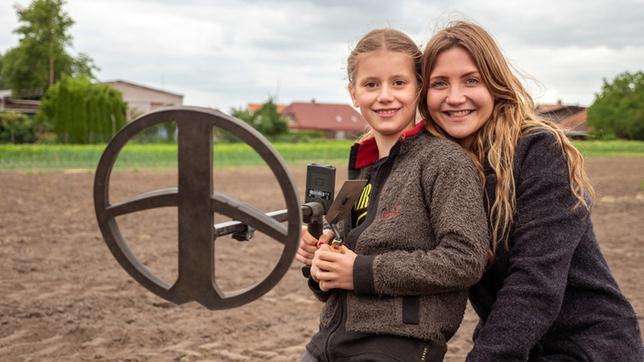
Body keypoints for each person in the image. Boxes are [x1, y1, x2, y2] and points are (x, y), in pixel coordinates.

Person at [418, 20, 643, 361]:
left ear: (494, 84)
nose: (455, 97)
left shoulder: (538, 150)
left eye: (471, 80)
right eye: (439, 84)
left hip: (587, 347)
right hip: (517, 344)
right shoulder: (438, 165)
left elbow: (536, 280)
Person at [297, 28, 489, 362]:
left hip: (398, 347)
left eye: (398, 83)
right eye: (371, 84)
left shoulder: (444, 162)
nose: (385, 96)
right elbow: (342, 272)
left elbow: (465, 259)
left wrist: (359, 271)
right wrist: (321, 262)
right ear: (353, 93)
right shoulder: (362, 169)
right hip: (328, 342)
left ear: (419, 88)